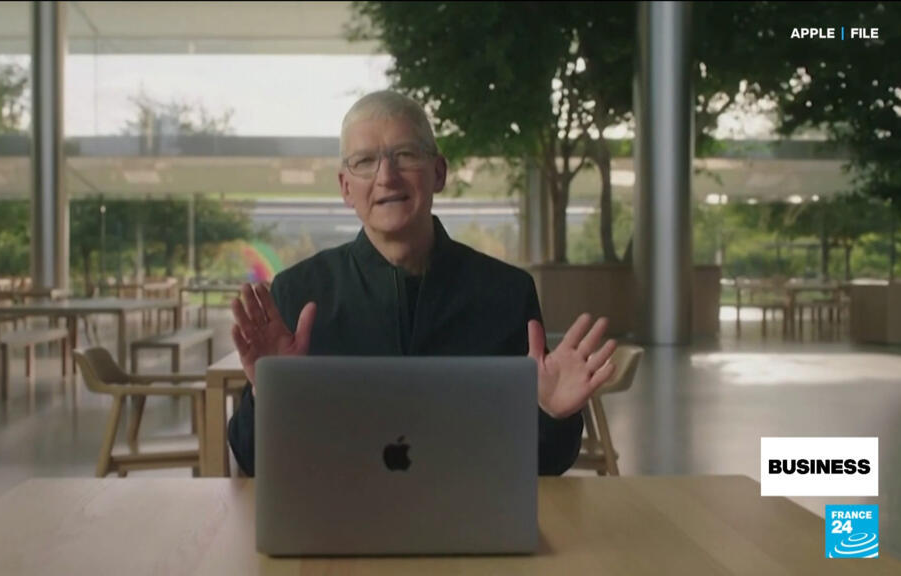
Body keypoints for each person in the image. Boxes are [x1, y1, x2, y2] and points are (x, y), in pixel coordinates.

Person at [227, 90, 616, 476]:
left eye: (406, 155)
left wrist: (550, 413)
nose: (386, 177)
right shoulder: (297, 293)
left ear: (439, 172)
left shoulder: (507, 294)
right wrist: (268, 395)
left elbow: (545, 466)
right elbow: (252, 462)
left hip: (470, 509)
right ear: (345, 187)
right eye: (365, 161)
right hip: (339, 512)